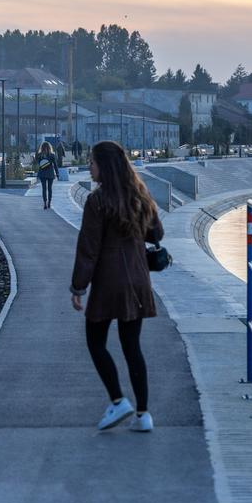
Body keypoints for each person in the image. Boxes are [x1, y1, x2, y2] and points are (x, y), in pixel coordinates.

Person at [70, 141, 163, 433]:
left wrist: (78, 287)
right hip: (137, 280)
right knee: (132, 347)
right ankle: (144, 414)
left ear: (105, 167)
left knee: (95, 342)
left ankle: (118, 399)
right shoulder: (139, 194)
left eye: (93, 162)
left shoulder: (97, 201)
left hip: (109, 283)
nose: (90, 167)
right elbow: (157, 232)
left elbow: (89, 248)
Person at [34, 140, 58, 209]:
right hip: (50, 173)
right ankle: (49, 203)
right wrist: (57, 173)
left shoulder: (40, 155)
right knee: (50, 189)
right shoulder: (52, 155)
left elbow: (38, 163)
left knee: (44, 189)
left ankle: (45, 203)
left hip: (42, 173)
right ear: (50, 147)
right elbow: (55, 165)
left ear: (42, 147)